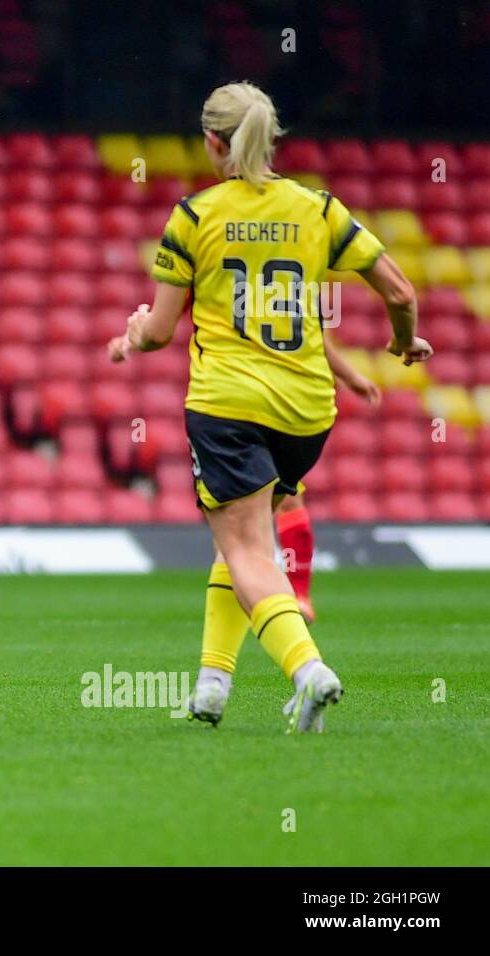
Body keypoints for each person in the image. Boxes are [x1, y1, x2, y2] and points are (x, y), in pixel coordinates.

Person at [107, 82, 432, 732]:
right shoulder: (317, 208)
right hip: (308, 411)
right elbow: (397, 289)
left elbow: (164, 331)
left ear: (212, 142)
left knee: (247, 546)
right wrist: (401, 342)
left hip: (229, 403)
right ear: (271, 137)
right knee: (243, 538)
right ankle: (212, 687)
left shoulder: (195, 217)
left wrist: (132, 331)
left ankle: (309, 672)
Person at [275, 335, 381, 623]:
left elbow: (312, 333)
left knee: (286, 497)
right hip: (228, 401)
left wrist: (348, 375)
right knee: (234, 515)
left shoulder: (296, 291)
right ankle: (243, 599)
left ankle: (298, 595)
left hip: (278, 398)